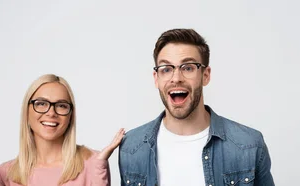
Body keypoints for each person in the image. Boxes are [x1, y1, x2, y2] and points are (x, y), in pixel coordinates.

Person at [117, 29, 275, 186]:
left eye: (187, 68)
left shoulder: (249, 145)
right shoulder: (131, 148)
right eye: (166, 69)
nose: (176, 78)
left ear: (205, 75)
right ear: (156, 78)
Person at [0, 74, 125, 186]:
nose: (51, 112)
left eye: (61, 105)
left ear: (70, 116)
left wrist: (99, 166)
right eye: (41, 104)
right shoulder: (7, 172)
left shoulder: (91, 162)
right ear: (27, 112)